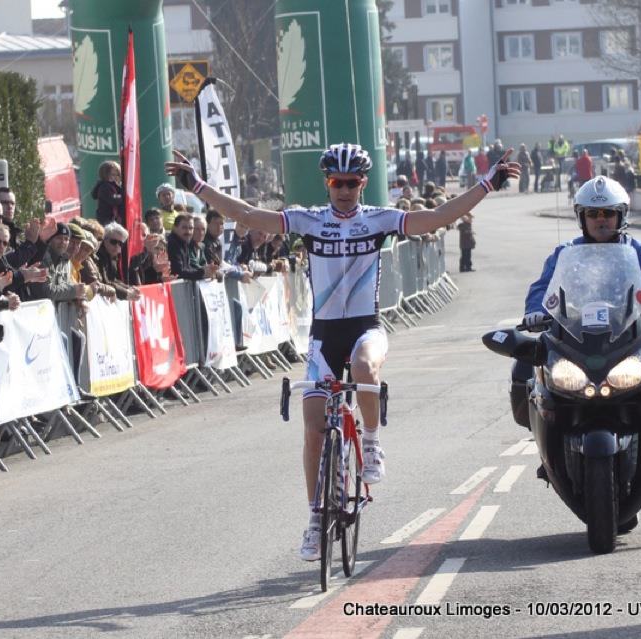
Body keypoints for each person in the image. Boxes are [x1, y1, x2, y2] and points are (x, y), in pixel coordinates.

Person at [165, 141, 519, 561]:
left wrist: (487, 183)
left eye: (352, 182)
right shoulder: (310, 221)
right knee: (313, 430)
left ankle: (371, 443)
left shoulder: (379, 219)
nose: (344, 189)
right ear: (327, 183)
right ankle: (316, 518)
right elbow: (246, 215)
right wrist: (198, 186)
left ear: (363, 183)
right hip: (322, 338)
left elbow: (438, 217)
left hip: (365, 328)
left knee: (365, 366)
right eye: (337, 182)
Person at [522, 176, 641, 330]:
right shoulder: (565, 252)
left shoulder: (640, 252)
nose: (600, 219)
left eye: (608, 212)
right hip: (573, 337)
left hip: (633, 335)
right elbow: (544, 286)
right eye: (592, 214)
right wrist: (535, 311)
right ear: (581, 217)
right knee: (529, 355)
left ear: (622, 215)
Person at [95, 223, 141, 300]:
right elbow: (104, 281)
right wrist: (126, 293)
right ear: (104, 240)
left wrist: (129, 288)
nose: (117, 246)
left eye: (120, 243)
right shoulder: (99, 255)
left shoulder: (112, 256)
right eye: (113, 242)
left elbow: (113, 279)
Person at [167, 214, 219, 281]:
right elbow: (178, 272)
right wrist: (203, 272)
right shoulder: (172, 244)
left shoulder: (183, 241)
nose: (188, 232)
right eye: (184, 228)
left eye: (191, 228)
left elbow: (188, 268)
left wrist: (207, 271)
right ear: (175, 228)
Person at [92, 161, 123, 226]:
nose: (114, 177)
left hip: (111, 218)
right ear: (105, 174)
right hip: (106, 218)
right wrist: (123, 196)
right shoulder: (104, 187)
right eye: (112, 174)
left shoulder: (113, 185)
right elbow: (113, 199)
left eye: (117, 175)